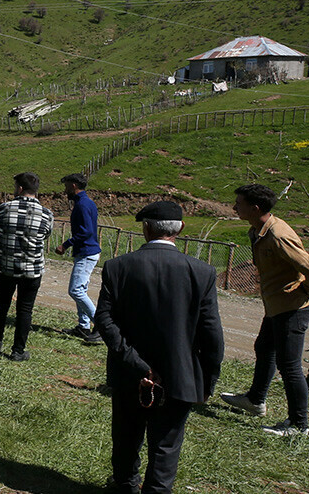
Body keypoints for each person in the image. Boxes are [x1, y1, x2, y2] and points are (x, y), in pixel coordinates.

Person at [94, 201, 224, 494]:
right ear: (180, 230)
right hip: (179, 374)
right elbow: (212, 333)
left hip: (129, 373)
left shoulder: (118, 267)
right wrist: (207, 379)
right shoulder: (201, 272)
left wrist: (136, 363)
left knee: (126, 436)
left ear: (146, 228)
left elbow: (104, 318)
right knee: (166, 444)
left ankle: (125, 485)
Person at [219, 184, 309, 437]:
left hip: (292, 308)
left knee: (289, 366)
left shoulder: (277, 235)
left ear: (255, 208)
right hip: (276, 306)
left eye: (239, 203)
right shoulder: (257, 231)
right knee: (264, 347)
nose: (235, 207)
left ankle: (299, 425)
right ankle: (256, 400)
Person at [0, 172, 54, 362]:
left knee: (1, 304)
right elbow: (46, 235)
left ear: (20, 188)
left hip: (6, 266)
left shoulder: (5, 208)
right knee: (25, 309)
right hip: (32, 269)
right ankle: (18, 350)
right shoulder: (47, 214)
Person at [55, 173, 102, 344]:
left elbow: (86, 231)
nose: (65, 189)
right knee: (80, 290)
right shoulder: (86, 202)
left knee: (75, 290)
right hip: (87, 251)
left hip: (86, 252)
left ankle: (101, 325)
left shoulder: (82, 205)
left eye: (66, 186)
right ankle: (83, 326)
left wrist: (66, 244)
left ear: (74, 185)